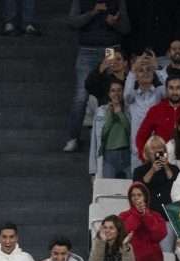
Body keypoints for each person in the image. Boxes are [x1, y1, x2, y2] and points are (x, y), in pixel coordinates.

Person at [63, 0, 131, 153]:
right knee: (81, 95)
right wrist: (93, 12)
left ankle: (112, 137)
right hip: (87, 50)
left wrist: (114, 23)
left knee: (112, 91)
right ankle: (73, 137)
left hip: (111, 49)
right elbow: (72, 22)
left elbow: (126, 28)